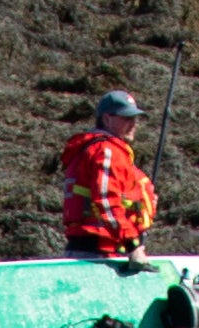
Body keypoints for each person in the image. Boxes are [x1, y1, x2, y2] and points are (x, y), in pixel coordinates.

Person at [59, 89, 160, 263]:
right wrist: (132, 245)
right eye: (126, 118)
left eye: (135, 119)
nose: (133, 124)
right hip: (97, 252)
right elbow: (106, 201)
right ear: (107, 119)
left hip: (96, 249)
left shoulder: (95, 149)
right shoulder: (106, 151)